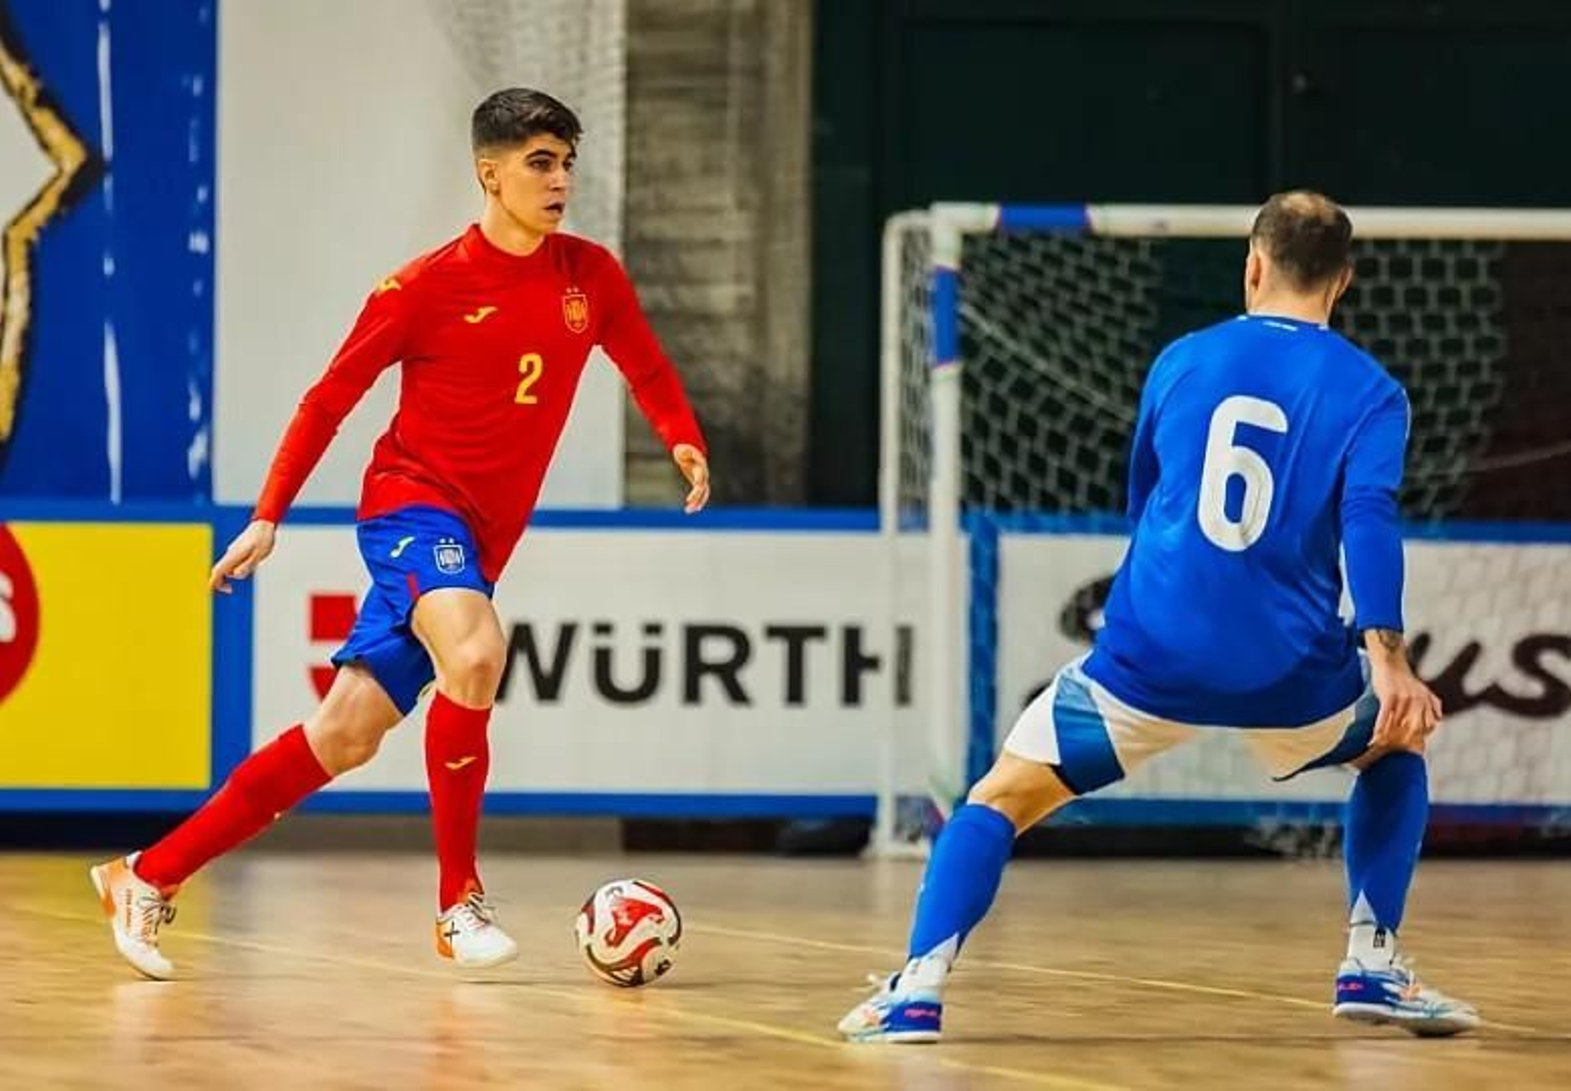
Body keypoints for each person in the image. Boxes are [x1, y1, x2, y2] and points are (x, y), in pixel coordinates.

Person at [91, 88, 710, 979]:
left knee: (343, 735)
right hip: (412, 507)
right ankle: (458, 901)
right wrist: (269, 513)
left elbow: (643, 360)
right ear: (488, 173)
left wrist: (681, 435)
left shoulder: (591, 277)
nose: (559, 179)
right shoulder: (423, 287)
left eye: (567, 162)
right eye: (540, 162)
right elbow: (328, 398)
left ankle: (145, 875)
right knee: (476, 650)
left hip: (481, 541)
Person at [839, 191, 1478, 1042]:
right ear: (1345, 281)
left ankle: (916, 987)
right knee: (1394, 745)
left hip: (1149, 658)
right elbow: (1369, 518)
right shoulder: (1372, 390)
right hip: (1292, 671)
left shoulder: (1182, 359)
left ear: (1252, 264)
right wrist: (1389, 658)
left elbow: (1146, 503)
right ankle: (1371, 958)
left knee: (996, 799)